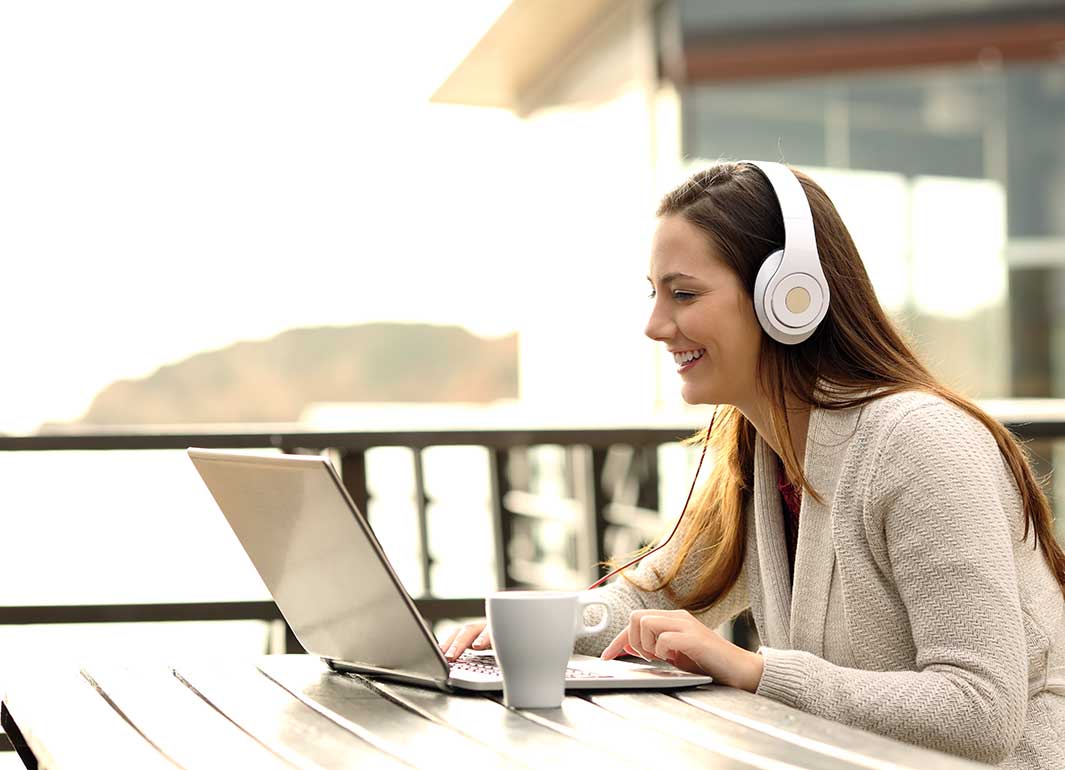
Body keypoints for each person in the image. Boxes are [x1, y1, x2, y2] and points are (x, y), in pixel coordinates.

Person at [438, 160, 1065, 768]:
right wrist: (525, 633)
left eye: (684, 294)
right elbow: (661, 591)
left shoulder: (922, 444)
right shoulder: (760, 448)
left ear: (789, 298)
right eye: (655, 293)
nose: (655, 325)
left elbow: (980, 712)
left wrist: (754, 671)